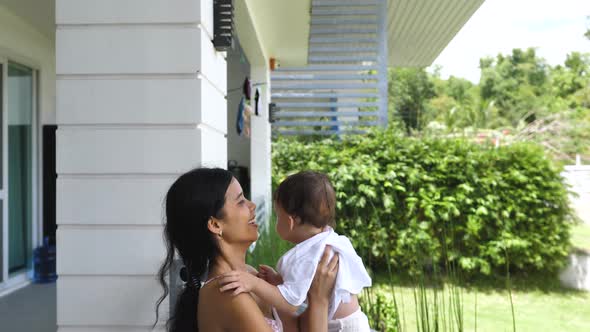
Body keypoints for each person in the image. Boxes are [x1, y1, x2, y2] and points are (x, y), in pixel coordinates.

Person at [154, 167, 339, 332]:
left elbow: (300, 323)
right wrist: (319, 302)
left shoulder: (250, 277)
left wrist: (304, 292)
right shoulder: (227, 291)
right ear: (215, 224)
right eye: (241, 201)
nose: (252, 206)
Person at [218, 171, 372, 332]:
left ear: (291, 221)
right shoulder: (326, 241)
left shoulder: (303, 257)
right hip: (354, 321)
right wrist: (280, 282)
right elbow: (304, 288)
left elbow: (291, 305)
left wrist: (253, 283)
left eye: (278, 216)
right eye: (240, 201)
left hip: (339, 328)